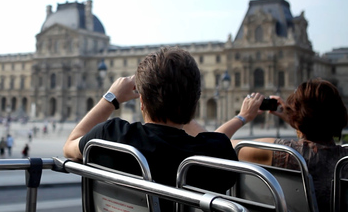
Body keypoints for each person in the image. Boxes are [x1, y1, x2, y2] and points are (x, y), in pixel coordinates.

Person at [63, 47, 237, 211]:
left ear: (142, 102)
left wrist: (111, 98)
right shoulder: (218, 152)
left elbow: (69, 146)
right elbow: (209, 136)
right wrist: (184, 104)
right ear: (195, 103)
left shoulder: (111, 136)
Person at [216, 79, 348, 212]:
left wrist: (243, 116)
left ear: (297, 117)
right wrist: (296, 120)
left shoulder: (282, 152)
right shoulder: (344, 158)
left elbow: (215, 143)